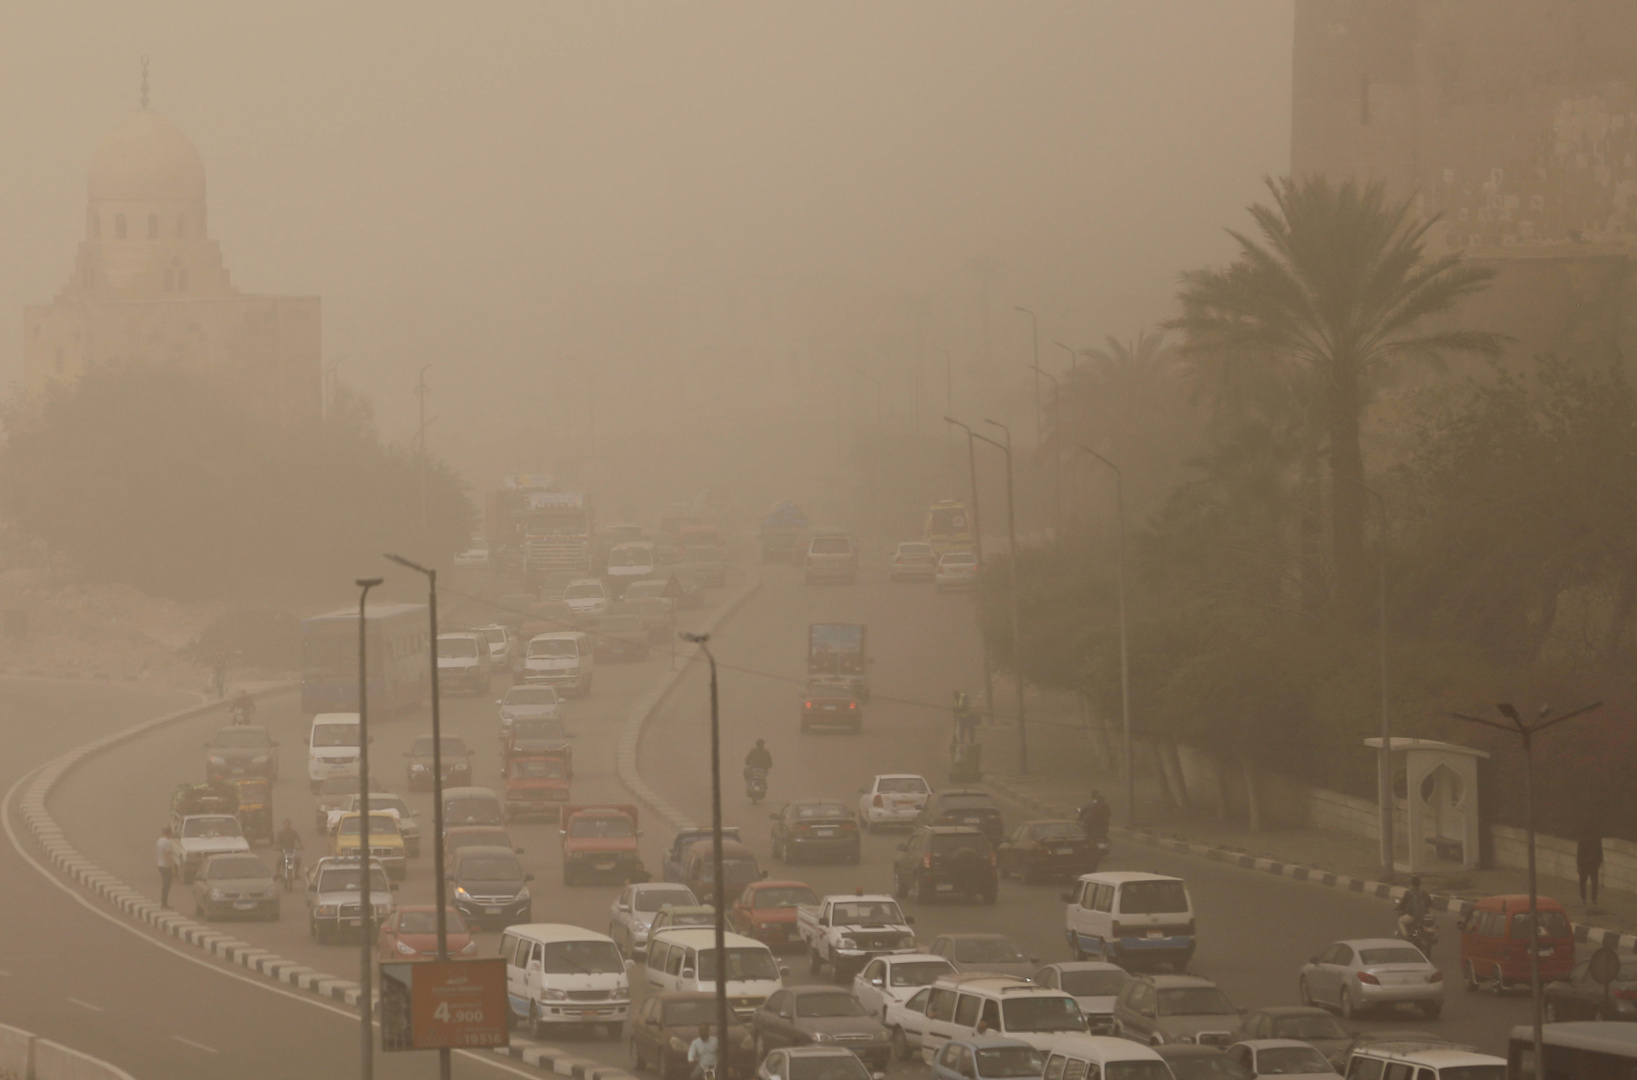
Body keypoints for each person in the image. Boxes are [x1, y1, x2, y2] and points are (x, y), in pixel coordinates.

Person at [1397, 874, 1432, 940]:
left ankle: (1406, 937)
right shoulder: (1425, 893)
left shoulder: (1408, 893)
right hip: (1424, 917)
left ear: (1412, 884)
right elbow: (1429, 903)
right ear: (1420, 883)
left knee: (1401, 921)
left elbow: (1402, 904)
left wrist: (1398, 909)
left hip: (1413, 916)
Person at [1578, 824, 1605, 905]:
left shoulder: (1581, 840)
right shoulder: (1596, 840)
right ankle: (1593, 899)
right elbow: (1599, 851)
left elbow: (1579, 854)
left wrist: (1578, 864)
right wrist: (1600, 861)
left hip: (1583, 865)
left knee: (1582, 883)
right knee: (1594, 883)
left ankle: (1583, 899)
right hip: (1593, 864)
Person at [157, 826, 179, 908]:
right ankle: (164, 903)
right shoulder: (167, 843)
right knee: (167, 885)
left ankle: (164, 902)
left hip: (160, 864)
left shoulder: (159, 841)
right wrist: (172, 868)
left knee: (165, 885)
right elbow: (168, 856)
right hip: (166, 866)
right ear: (169, 833)